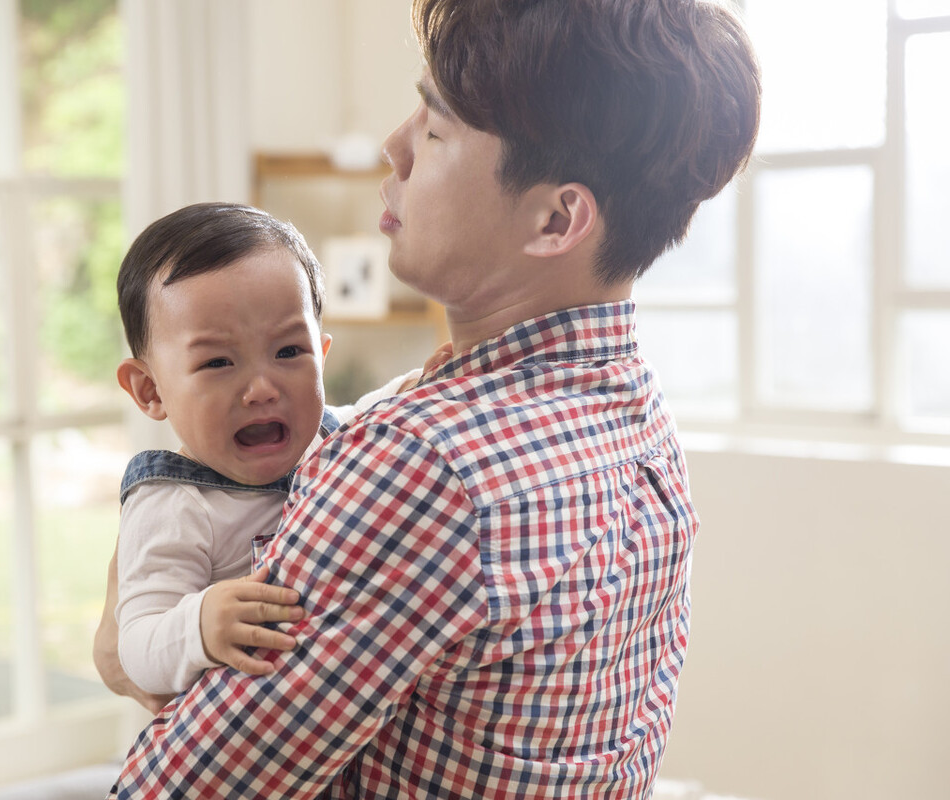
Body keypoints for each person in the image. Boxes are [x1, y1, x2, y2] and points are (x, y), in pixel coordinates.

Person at [100, 0, 761, 797]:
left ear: (557, 218)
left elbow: (174, 788)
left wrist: (121, 640)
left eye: (437, 127)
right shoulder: (638, 413)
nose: (394, 144)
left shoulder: (422, 463)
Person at [104, 202, 425, 712]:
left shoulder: (331, 437)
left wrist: (419, 386)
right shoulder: (174, 506)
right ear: (150, 390)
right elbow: (134, 649)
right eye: (217, 361)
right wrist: (200, 624)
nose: (260, 388)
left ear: (321, 355)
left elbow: (370, 412)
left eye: (289, 352)